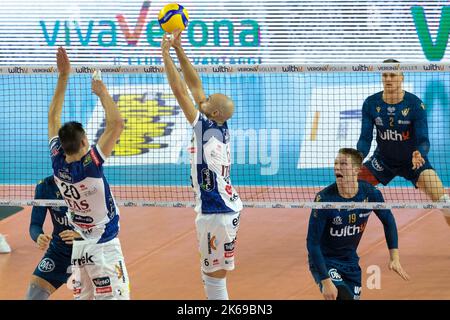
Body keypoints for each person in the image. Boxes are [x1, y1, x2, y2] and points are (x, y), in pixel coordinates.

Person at [161, 30, 243, 300]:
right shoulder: (219, 123)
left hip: (216, 212)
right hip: (222, 208)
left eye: (207, 102)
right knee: (211, 276)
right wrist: (179, 49)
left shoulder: (204, 130)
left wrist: (164, 53)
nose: (203, 100)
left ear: (214, 112)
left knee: (214, 279)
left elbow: (179, 90)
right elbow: (195, 87)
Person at [48, 47, 129, 300]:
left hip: (80, 248)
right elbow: (116, 124)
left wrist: (63, 77)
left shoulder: (57, 162)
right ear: (85, 142)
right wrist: (101, 91)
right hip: (104, 247)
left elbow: (53, 116)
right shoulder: (91, 165)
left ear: (62, 145)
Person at [307, 148, 409, 300]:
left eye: (343, 164)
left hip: (350, 262)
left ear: (356, 170)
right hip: (326, 261)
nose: (337, 167)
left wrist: (394, 257)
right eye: (336, 163)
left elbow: (388, 220)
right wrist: (325, 280)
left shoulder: (370, 193)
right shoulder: (324, 199)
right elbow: (312, 243)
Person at [357, 59, 450, 225]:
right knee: (348, 193)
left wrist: (419, 153)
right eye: (385, 75)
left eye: (392, 75)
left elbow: (423, 140)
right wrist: (358, 157)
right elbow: (365, 139)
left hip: (413, 161)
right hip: (383, 161)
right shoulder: (371, 103)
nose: (388, 79)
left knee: (446, 203)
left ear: (402, 77)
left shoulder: (415, 105)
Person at [26, 176, 80, 300]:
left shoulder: (90, 182)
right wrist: (38, 236)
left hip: (88, 252)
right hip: (59, 253)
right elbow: (35, 224)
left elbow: (109, 224)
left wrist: (81, 236)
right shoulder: (45, 186)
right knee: (33, 295)